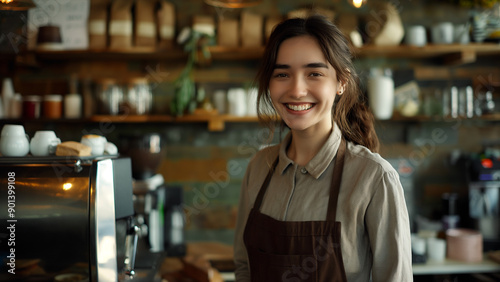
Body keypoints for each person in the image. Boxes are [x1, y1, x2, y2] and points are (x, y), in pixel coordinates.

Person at [233, 14, 412, 282]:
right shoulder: (259, 167)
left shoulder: (375, 178)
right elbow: (244, 267)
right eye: (282, 74)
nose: (296, 90)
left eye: (314, 73)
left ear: (341, 82)